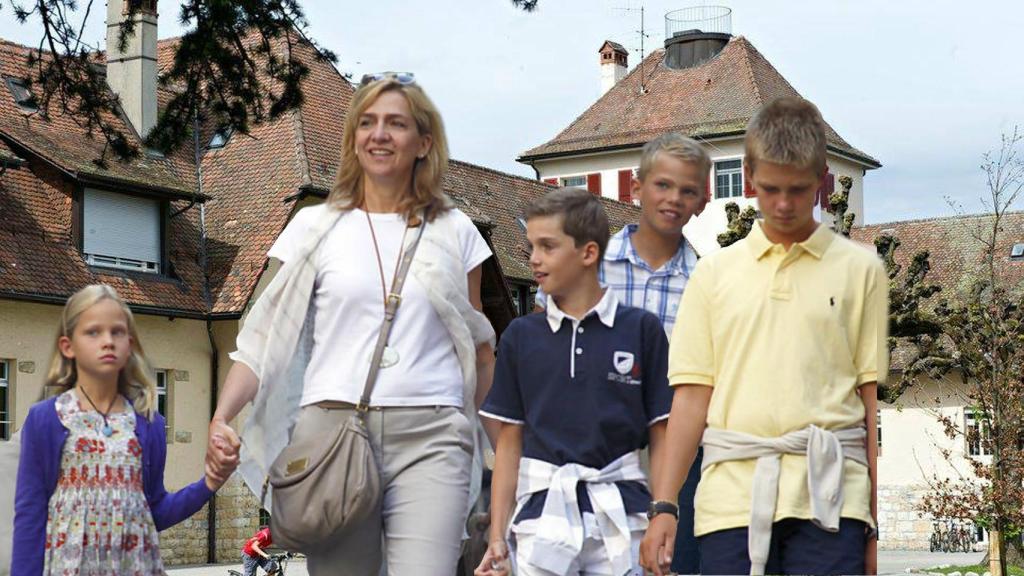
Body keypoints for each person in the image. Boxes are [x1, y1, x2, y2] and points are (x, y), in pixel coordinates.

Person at [204, 72, 498, 576]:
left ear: (424, 141)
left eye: (396, 124)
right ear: (353, 138)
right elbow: (264, 343)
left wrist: (465, 425)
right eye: (367, 122)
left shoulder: (456, 230)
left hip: (432, 432)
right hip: (332, 430)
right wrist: (221, 417)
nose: (379, 134)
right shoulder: (313, 227)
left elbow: (477, 348)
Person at [640, 96, 886, 576]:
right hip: (730, 497)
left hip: (832, 496)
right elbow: (690, 397)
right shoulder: (712, 276)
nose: (784, 205)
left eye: (798, 189)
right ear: (748, 175)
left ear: (821, 179)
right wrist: (665, 506)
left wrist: (873, 526)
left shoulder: (862, 271)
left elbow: (869, 402)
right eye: (770, 188)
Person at [535, 132, 710, 574]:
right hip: (588, 446)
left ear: (702, 202)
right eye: (662, 185)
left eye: (688, 190)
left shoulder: (709, 284)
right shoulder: (583, 265)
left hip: (675, 451)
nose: (674, 199)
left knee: (668, 565)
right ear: (636, 188)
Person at [475, 188, 672, 575]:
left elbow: (663, 434)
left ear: (588, 253)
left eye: (547, 246)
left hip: (625, 515)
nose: (533, 259)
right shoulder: (520, 337)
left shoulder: (641, 331)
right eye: (531, 246)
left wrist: (663, 513)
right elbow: (509, 443)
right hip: (539, 518)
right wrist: (497, 537)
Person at [11, 284, 223, 576]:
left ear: (130, 346)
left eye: (118, 332)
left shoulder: (150, 424)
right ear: (68, 346)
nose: (108, 341)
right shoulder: (45, 419)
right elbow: (30, 516)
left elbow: (155, 511)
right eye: (93, 332)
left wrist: (208, 484)